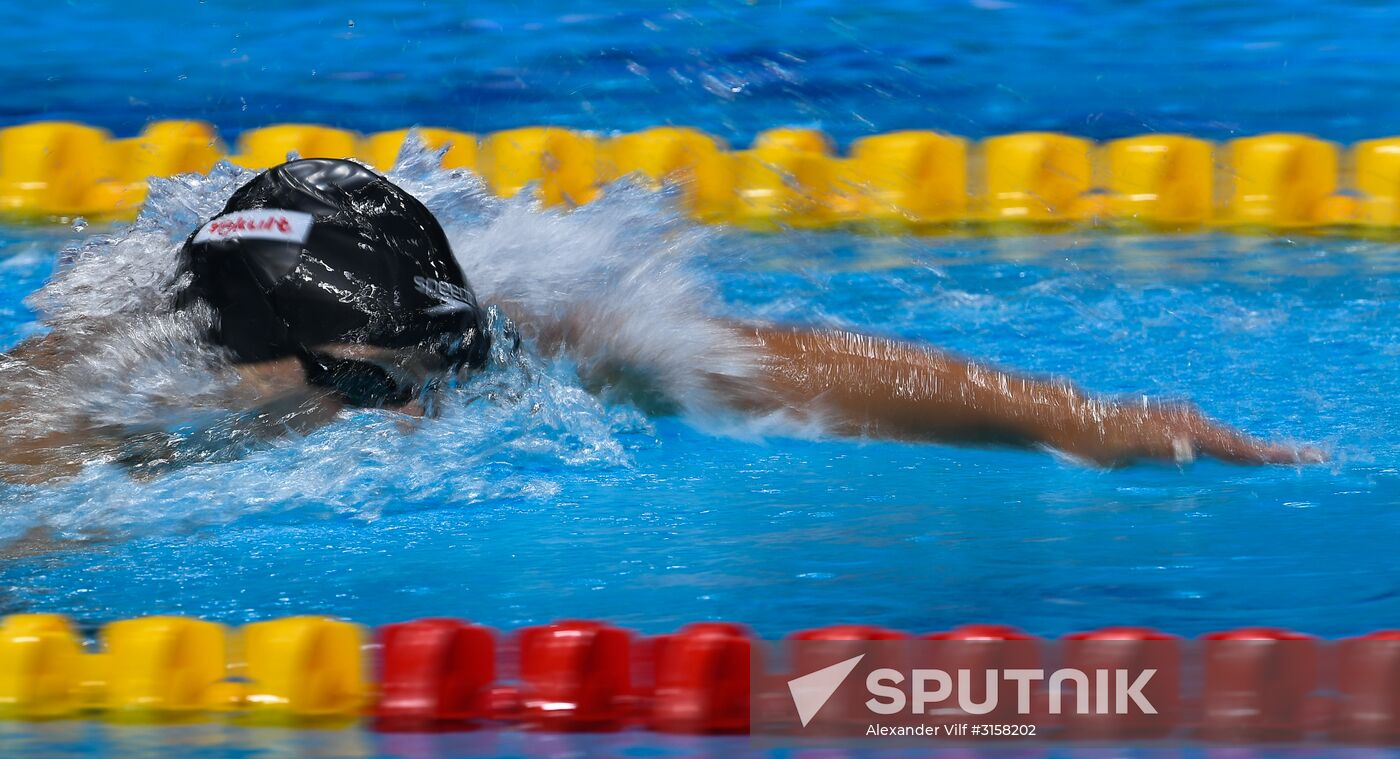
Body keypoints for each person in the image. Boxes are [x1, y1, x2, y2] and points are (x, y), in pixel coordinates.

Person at [0, 158, 1321, 483]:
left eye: (440, 361)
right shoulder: (71, 418)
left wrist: (1090, 418)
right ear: (264, 363)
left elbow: (755, 364)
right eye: (374, 389)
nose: (431, 403)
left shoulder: (461, 327)